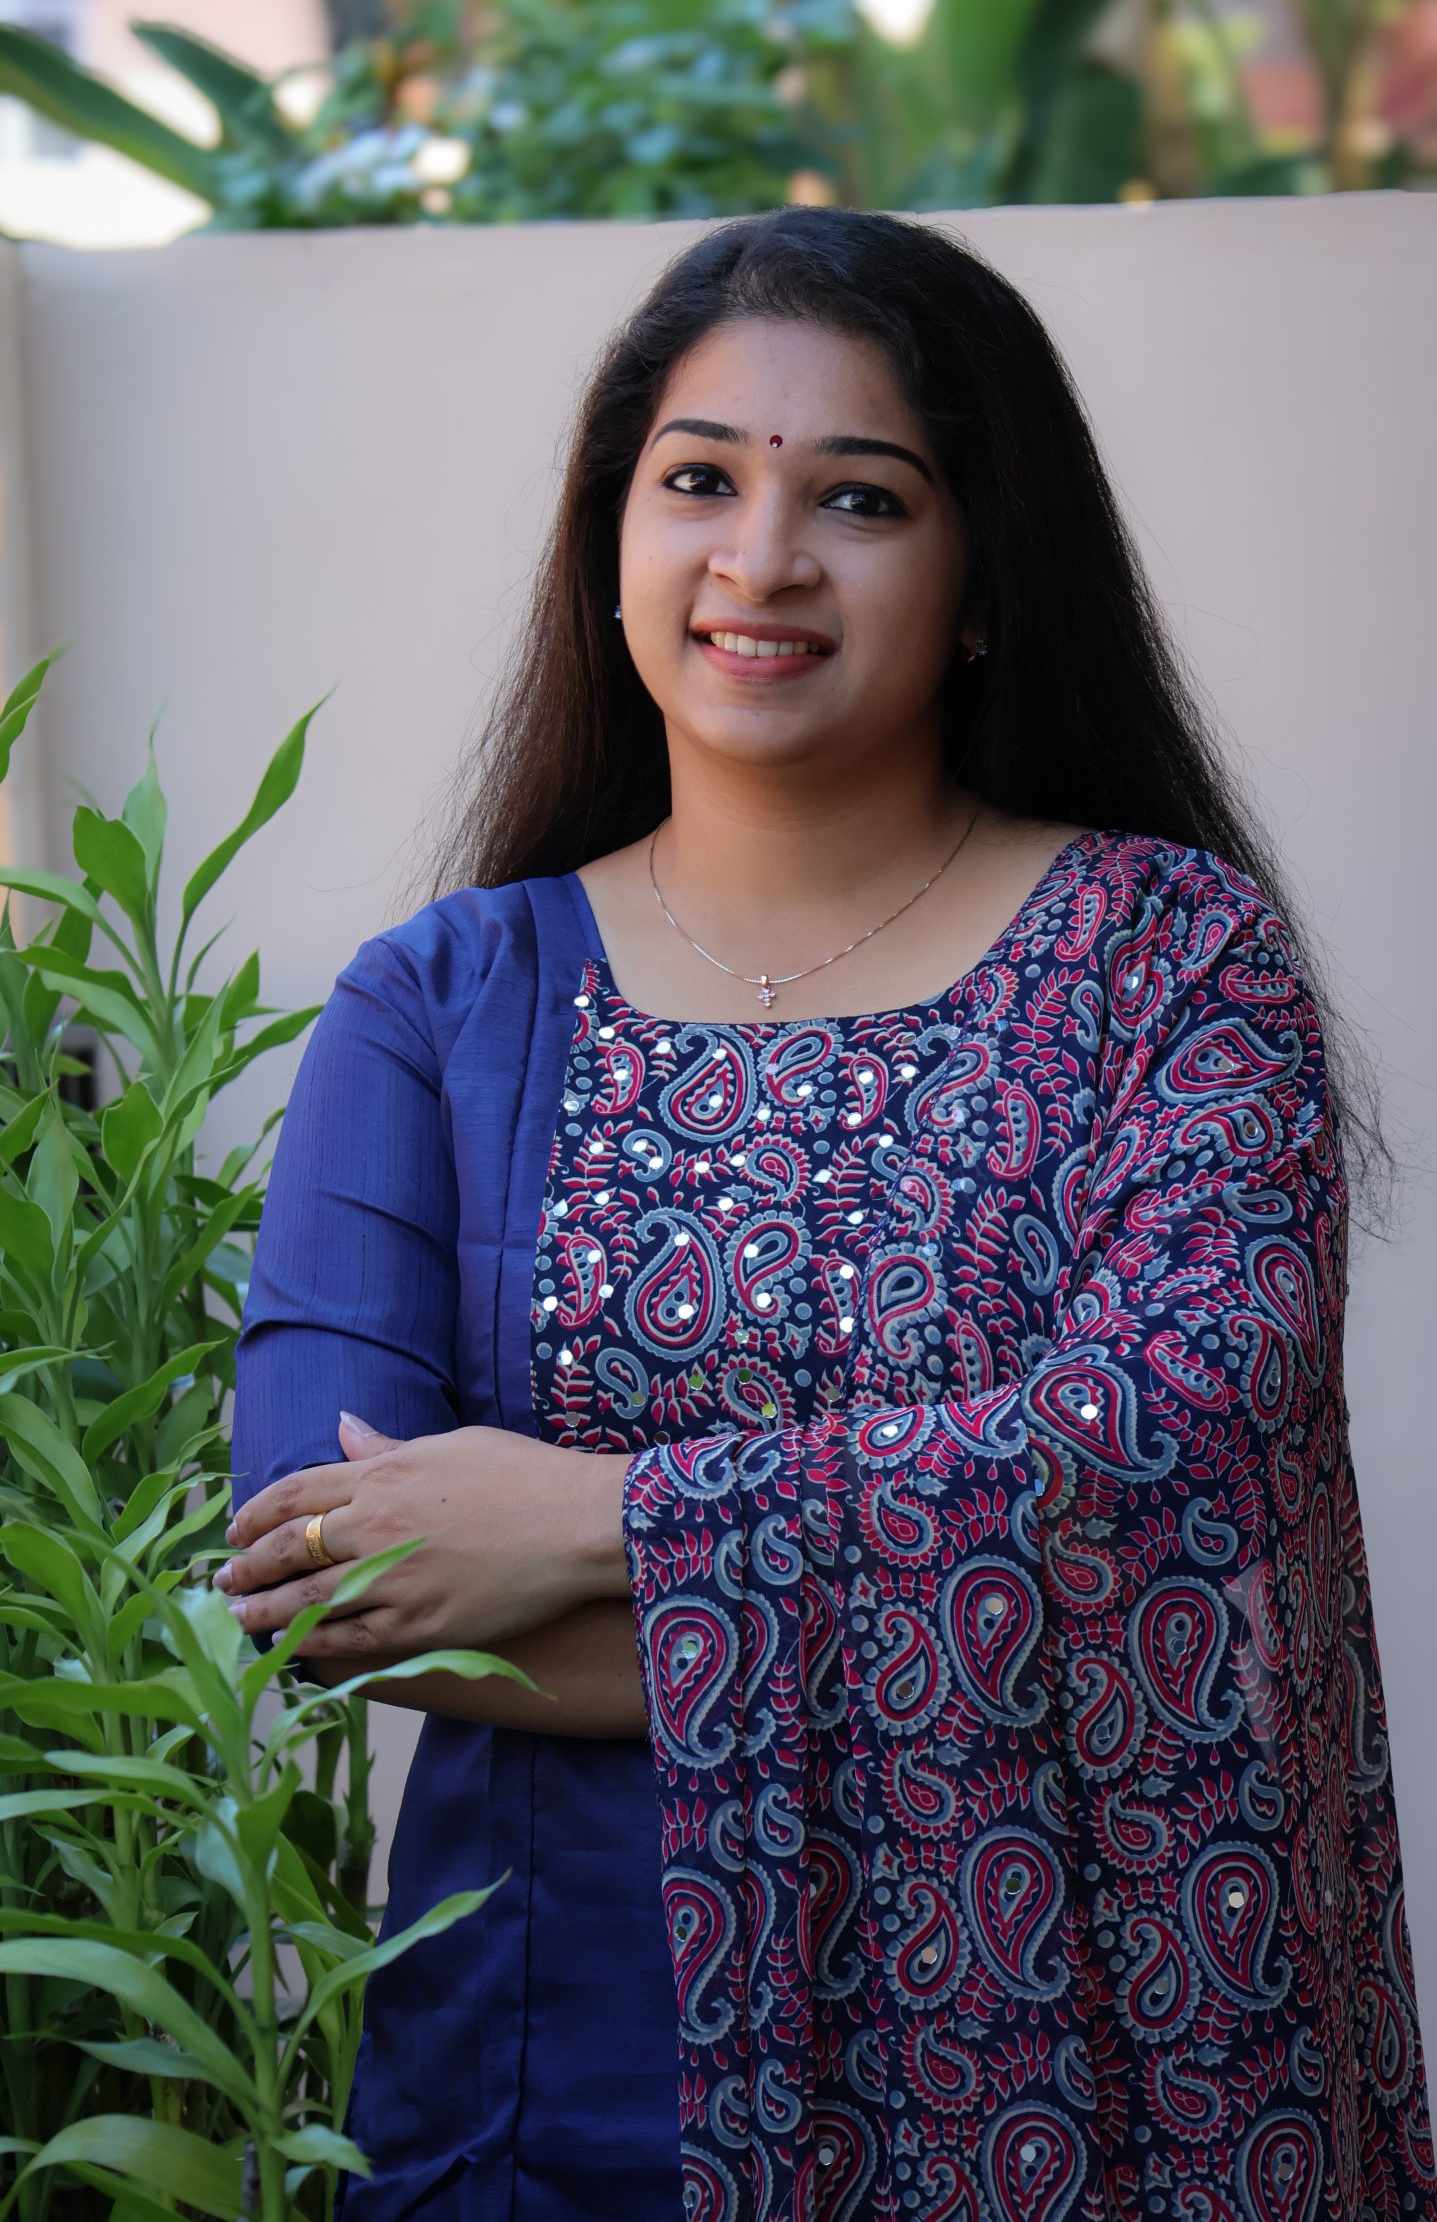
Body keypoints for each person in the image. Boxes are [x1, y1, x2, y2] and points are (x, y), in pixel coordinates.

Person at [223, 207, 1433, 2222]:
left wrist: (588, 1520)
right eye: (697, 479)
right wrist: (988, 1594)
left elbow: (1170, 1452)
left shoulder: (1167, 960)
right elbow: (330, 1577)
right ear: (609, 537)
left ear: (983, 574)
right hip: (561, 2084)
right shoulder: (441, 1006)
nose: (761, 557)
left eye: (858, 497)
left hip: (1087, 2098)